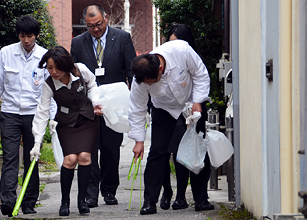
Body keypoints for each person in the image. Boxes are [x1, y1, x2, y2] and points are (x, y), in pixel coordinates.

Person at [128, 39, 214, 215]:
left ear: (160, 68)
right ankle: (150, 202)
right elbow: (137, 109)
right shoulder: (141, 79)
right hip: (163, 109)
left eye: (152, 82)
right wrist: (138, 140)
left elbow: (200, 74)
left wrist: (198, 100)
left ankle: (201, 199)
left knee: (198, 150)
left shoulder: (181, 50)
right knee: (157, 152)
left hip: (192, 103)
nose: (149, 85)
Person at [0, 15, 56, 217]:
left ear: (37, 35)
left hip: (35, 115)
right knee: (10, 158)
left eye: (30, 36)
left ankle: (29, 202)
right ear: (19, 35)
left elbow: (51, 89)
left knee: (32, 158)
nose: (26, 40)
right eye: (23, 36)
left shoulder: (44, 57)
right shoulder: (6, 53)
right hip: (10, 113)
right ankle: (8, 201)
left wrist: (52, 117)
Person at [70, 4, 136, 208]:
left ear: (106, 18)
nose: (95, 29)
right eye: (90, 26)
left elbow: (132, 71)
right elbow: (74, 76)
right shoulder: (78, 43)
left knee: (111, 148)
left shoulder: (122, 38)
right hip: (89, 106)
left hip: (114, 105)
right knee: (90, 149)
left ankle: (109, 190)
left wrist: (135, 101)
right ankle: (91, 194)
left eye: (98, 24)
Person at [31, 46, 103, 216]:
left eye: (57, 67)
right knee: (70, 159)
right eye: (49, 68)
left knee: (85, 157)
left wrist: (95, 102)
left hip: (88, 119)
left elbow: (92, 85)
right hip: (66, 123)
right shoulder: (49, 84)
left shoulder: (80, 70)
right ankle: (65, 202)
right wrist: (37, 142)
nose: (54, 71)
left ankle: (82, 201)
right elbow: (42, 111)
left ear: (66, 64)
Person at [160, 24, 206, 211]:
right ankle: (171, 192)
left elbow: (201, 81)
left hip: (192, 111)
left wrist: (197, 102)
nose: (174, 48)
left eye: (178, 42)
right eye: (171, 43)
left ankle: (192, 196)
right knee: (168, 153)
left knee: (191, 153)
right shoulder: (163, 61)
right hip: (169, 110)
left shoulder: (194, 59)